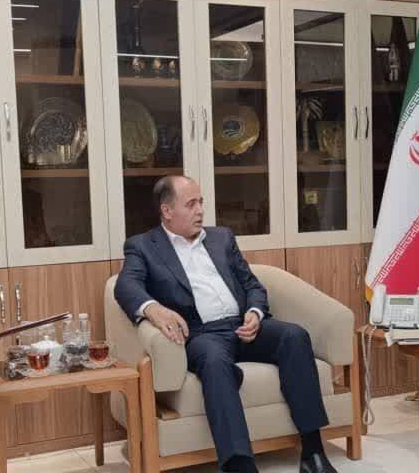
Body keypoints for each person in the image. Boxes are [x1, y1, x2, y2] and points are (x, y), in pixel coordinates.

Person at [114, 175, 339, 473]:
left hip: (242, 327)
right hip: (202, 335)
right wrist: (154, 309)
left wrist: (255, 312)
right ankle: (239, 465)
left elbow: (252, 284)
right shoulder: (143, 246)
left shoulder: (221, 237)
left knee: (294, 336)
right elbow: (125, 286)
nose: (200, 210)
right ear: (167, 211)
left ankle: (312, 453)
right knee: (214, 362)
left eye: (201, 202)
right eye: (191, 204)